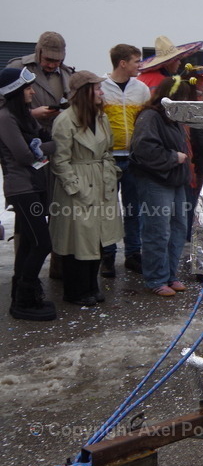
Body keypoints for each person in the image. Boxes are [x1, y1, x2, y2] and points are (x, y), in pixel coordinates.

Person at [49, 71, 123, 307]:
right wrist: (74, 186)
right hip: (78, 184)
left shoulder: (100, 117)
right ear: (85, 92)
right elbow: (59, 160)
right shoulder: (65, 120)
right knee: (77, 239)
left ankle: (91, 285)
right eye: (97, 88)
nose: (101, 92)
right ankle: (74, 291)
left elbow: (108, 150)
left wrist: (110, 173)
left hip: (101, 181)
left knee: (98, 237)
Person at [0, 68, 57, 320]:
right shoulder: (5, 117)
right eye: (28, 88)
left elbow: (48, 141)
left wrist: (40, 147)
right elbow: (24, 155)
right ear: (15, 92)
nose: (32, 92)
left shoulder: (22, 115)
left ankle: (20, 297)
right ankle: (25, 299)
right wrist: (42, 147)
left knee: (27, 244)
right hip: (21, 189)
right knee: (42, 243)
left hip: (34, 185)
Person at [130, 75, 194, 296]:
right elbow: (144, 149)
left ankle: (170, 275)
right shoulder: (150, 117)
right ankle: (156, 278)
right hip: (156, 181)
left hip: (176, 181)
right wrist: (173, 158)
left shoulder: (172, 118)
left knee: (178, 229)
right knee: (158, 231)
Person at [99, 44, 149, 277]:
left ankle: (133, 254)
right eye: (136, 61)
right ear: (122, 63)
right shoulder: (101, 87)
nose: (140, 65)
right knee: (108, 210)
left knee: (133, 209)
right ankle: (107, 256)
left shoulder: (141, 89)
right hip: (108, 158)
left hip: (133, 158)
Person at [6, 31, 74, 134]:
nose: (51, 65)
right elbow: (2, 104)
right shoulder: (17, 68)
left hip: (56, 135)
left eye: (57, 61)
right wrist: (30, 114)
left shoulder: (68, 74)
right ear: (38, 53)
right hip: (23, 134)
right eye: (48, 59)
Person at [137, 36, 203, 91]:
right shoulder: (161, 81)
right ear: (169, 62)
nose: (179, 63)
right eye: (177, 59)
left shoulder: (144, 76)